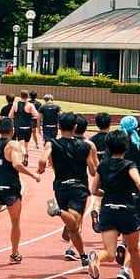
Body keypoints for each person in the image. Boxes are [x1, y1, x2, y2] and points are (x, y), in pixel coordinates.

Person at [87, 129, 140, 279]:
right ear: (126, 147)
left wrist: (107, 194)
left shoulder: (102, 165)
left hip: (108, 209)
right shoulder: (129, 165)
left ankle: (97, 258)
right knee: (133, 249)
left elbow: (94, 190)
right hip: (127, 210)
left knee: (109, 252)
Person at [38, 111, 96, 267]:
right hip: (79, 187)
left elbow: (43, 159)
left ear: (58, 126)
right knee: (75, 224)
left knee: (73, 227)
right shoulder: (85, 146)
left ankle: (83, 256)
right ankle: (58, 211)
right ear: (75, 127)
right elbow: (92, 170)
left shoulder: (52, 143)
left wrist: (41, 168)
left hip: (61, 187)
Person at [0, 117, 41, 264]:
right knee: (15, 222)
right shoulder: (13, 145)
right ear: (12, 130)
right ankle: (14, 254)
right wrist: (33, 175)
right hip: (11, 189)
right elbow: (17, 164)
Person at [11, 91, 38, 164]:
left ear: (20, 96)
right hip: (28, 127)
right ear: (28, 96)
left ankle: (24, 154)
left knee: (21, 145)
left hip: (19, 127)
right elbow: (36, 115)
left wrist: (16, 117)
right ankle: (24, 158)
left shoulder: (15, 105)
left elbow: (10, 116)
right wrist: (32, 117)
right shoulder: (30, 105)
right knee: (26, 144)